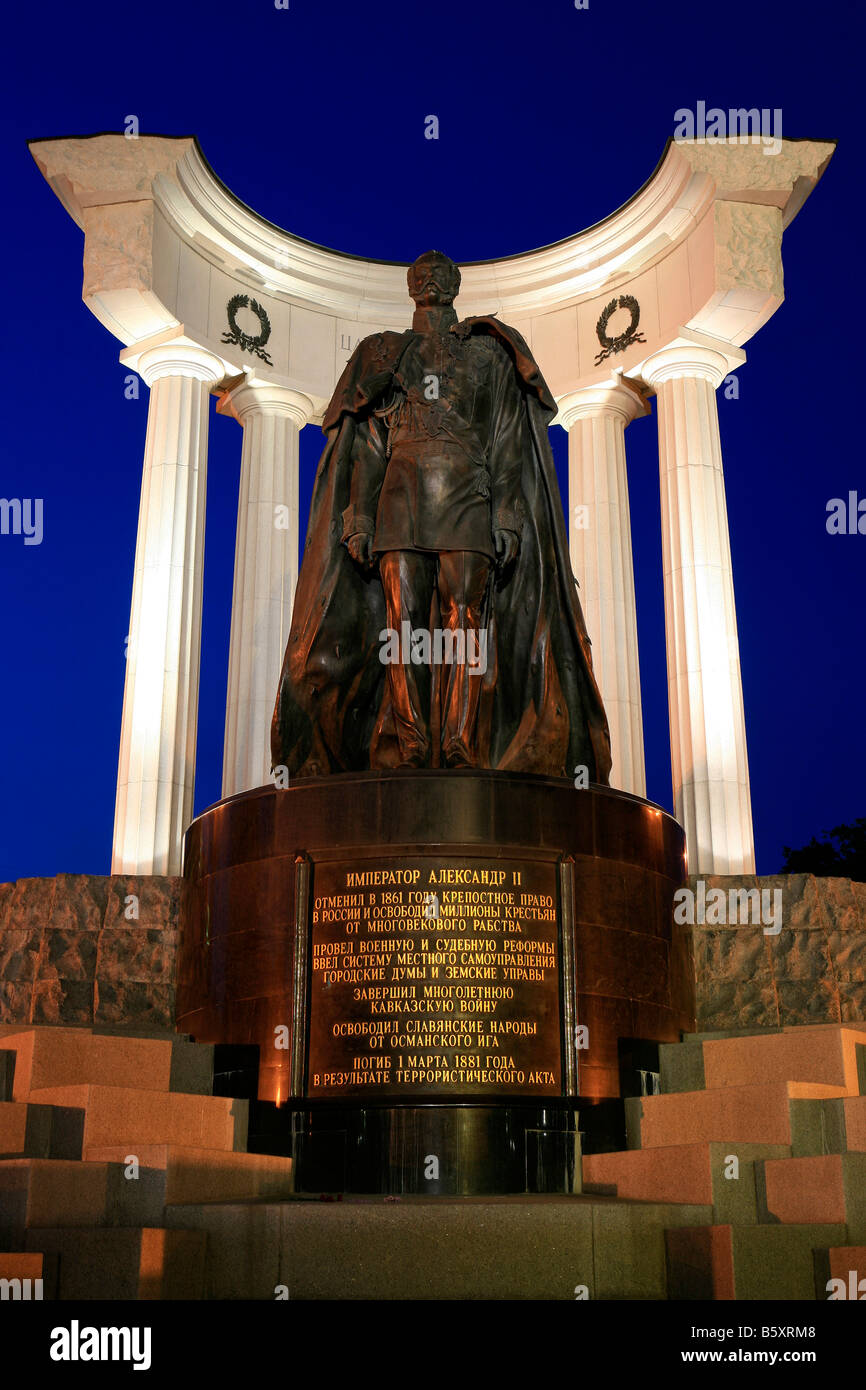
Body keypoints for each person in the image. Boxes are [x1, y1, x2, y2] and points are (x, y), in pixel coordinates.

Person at [271, 251, 611, 783]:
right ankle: (410, 744)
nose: (431, 276)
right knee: (400, 625)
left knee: (465, 623)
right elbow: (365, 443)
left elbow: (506, 437)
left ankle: (459, 744)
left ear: (455, 285)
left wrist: (508, 514)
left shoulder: (488, 354)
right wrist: (358, 515)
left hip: (468, 495)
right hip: (400, 500)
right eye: (421, 273)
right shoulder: (383, 353)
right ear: (411, 287)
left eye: (443, 272)